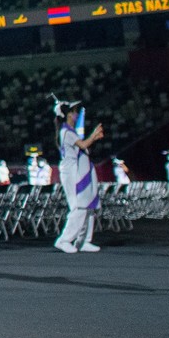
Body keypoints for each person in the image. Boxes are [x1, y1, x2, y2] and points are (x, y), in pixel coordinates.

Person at [52, 97, 103, 254]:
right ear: (68, 115)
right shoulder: (66, 132)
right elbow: (83, 145)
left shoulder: (70, 131)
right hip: (71, 172)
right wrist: (94, 135)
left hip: (79, 170)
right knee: (78, 206)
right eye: (74, 112)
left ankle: (83, 241)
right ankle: (64, 240)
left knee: (88, 207)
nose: (76, 114)